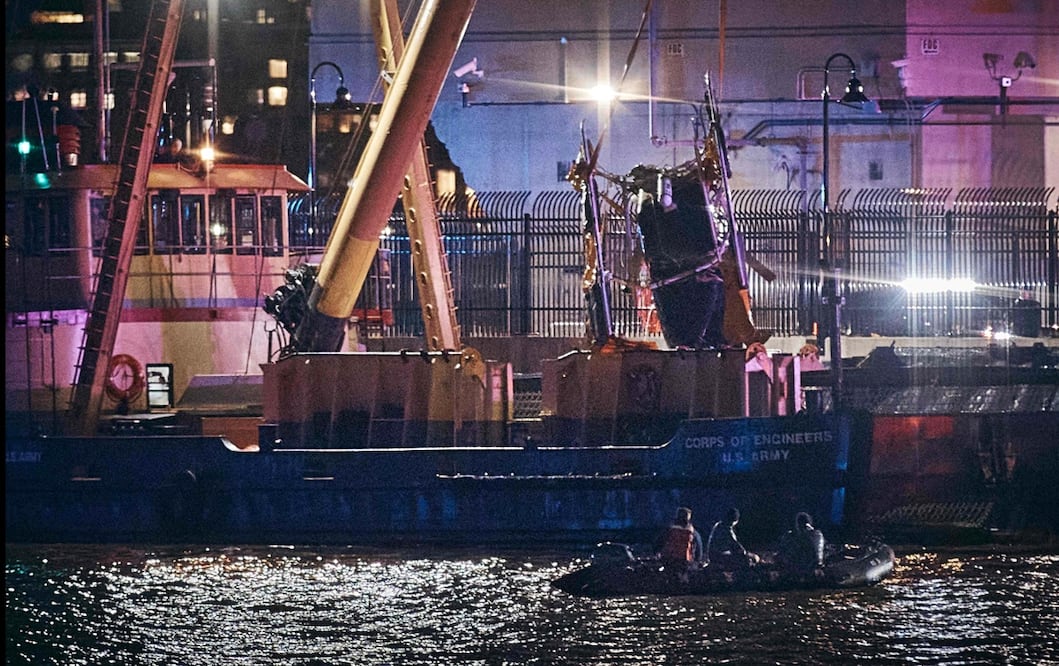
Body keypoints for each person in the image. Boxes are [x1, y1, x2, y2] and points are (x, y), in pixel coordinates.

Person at [776, 511, 826, 576]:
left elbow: (784, 554)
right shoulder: (818, 535)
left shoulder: (790, 537)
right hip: (813, 570)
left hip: (796, 571)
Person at [655, 507, 703, 575]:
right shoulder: (693, 533)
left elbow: (658, 542)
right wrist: (697, 561)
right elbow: (699, 548)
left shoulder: (669, 530)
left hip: (668, 560)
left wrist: (657, 552)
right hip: (685, 562)